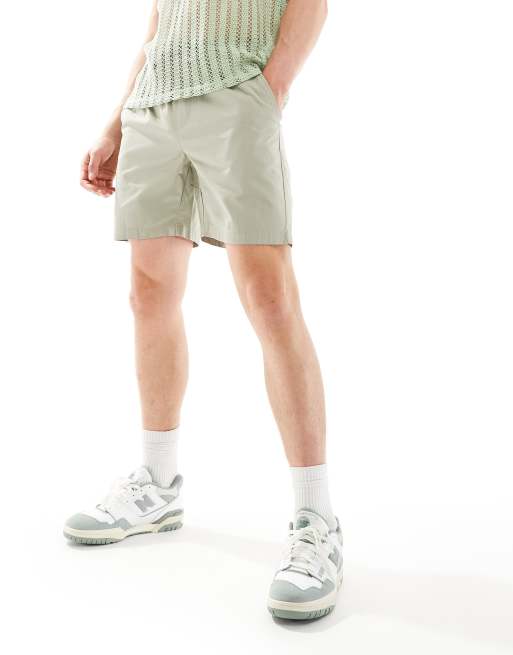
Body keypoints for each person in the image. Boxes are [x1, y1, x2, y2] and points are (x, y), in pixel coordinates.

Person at [65, 0, 342, 620]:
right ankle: (157, 484)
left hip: (236, 95)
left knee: (270, 299)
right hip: (152, 105)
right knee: (148, 293)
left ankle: (316, 520)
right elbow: (160, 19)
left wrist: (269, 89)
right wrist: (116, 121)